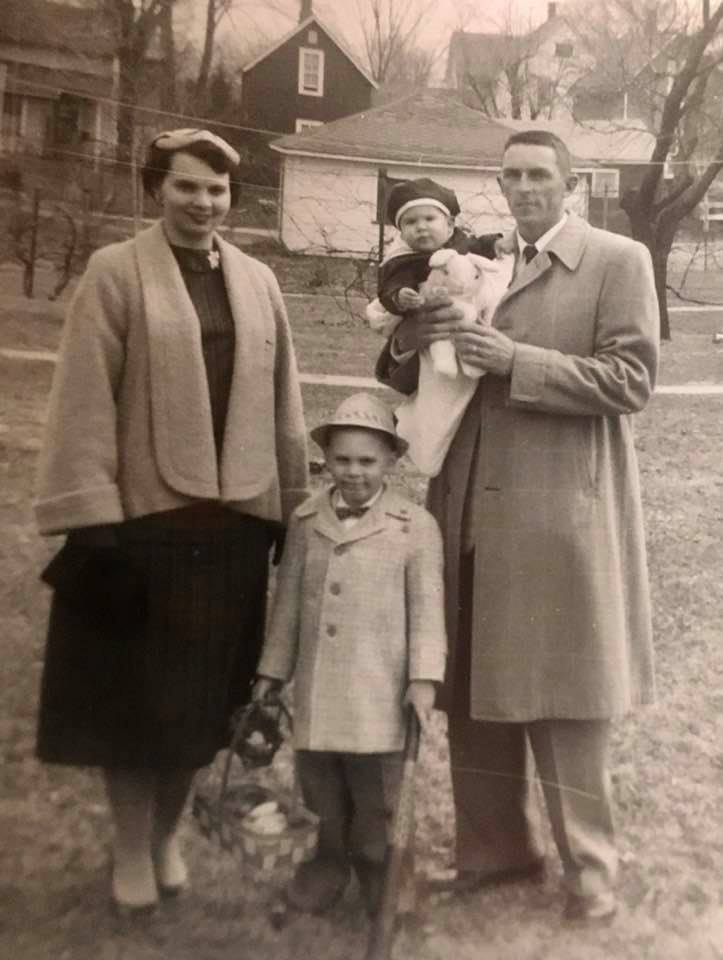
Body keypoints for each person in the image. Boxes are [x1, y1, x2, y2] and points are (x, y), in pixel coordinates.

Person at [375, 129, 659, 923]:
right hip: (466, 500)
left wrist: (513, 361)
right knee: (473, 684)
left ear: (571, 184)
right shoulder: (478, 260)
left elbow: (630, 380)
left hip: (560, 510)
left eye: (539, 174)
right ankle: (495, 852)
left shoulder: (616, 259)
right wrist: (410, 336)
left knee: (565, 693)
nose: (525, 187)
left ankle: (591, 868)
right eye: (511, 176)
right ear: (498, 187)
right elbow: (405, 367)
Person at [34, 128, 309, 914]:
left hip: (231, 530)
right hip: (143, 526)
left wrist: (288, 506)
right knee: (135, 706)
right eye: (186, 185)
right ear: (155, 187)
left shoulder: (258, 280)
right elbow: (85, 395)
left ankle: (164, 841)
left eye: (216, 189)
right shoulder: (115, 272)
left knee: (200, 708)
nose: (202, 202)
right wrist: (93, 520)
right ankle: (130, 852)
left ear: (233, 198)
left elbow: (284, 400)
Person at [253, 393, 446, 916]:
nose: (354, 472)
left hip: (379, 695)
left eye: (366, 461)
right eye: (342, 459)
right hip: (319, 693)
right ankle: (326, 866)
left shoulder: (415, 527)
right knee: (321, 794)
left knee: (379, 798)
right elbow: (287, 605)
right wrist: (272, 672)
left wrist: (424, 678)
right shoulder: (305, 520)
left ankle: (386, 878)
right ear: (326, 459)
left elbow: (428, 611)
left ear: (390, 461)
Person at [366, 178, 512, 475]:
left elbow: (481, 244)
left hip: (473, 326)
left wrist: (496, 242)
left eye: (429, 219)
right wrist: (400, 297)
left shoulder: (462, 245)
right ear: (401, 231)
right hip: (434, 341)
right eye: (410, 222)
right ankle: (421, 437)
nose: (421, 227)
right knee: (438, 397)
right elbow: (390, 289)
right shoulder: (403, 261)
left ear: (450, 224)